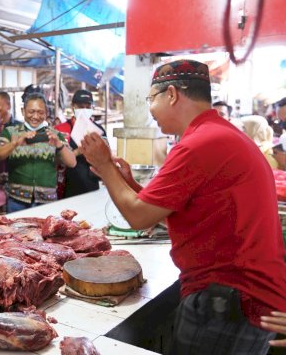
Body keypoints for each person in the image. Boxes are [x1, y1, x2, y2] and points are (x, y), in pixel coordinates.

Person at [80, 59, 286, 355]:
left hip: (230, 301)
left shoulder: (200, 143)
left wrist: (104, 165)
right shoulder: (218, 134)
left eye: (151, 99)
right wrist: (126, 181)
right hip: (247, 298)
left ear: (172, 94)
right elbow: (181, 213)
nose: (150, 110)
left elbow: (139, 217)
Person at [0, 92, 76, 212]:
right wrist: (14, 144)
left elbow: (72, 163)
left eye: (40, 112)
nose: (35, 116)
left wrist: (59, 145)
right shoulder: (10, 132)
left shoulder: (55, 135)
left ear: (46, 113)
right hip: (16, 200)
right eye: (31, 112)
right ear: (23, 111)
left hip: (47, 202)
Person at [55, 89, 107, 198]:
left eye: (88, 106)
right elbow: (56, 160)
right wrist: (77, 152)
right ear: (73, 106)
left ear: (92, 107)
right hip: (66, 186)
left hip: (92, 184)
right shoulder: (61, 129)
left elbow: (106, 157)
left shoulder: (98, 130)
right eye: (80, 106)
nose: (84, 109)